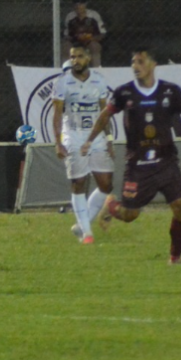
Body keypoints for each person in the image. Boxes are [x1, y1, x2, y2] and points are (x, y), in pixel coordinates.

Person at [84, 47, 181, 264]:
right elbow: (105, 115)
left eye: (140, 61)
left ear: (152, 65)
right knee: (130, 215)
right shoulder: (124, 92)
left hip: (167, 161)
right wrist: (90, 139)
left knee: (180, 206)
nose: (135, 66)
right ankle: (111, 204)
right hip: (138, 165)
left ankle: (175, 258)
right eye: (133, 62)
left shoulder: (170, 91)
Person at [52, 44, 113, 244]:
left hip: (96, 137)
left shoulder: (99, 81)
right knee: (79, 183)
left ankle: (81, 224)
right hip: (74, 135)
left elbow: (105, 114)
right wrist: (58, 142)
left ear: (88, 58)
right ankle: (87, 233)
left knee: (106, 184)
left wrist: (110, 139)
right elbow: (57, 116)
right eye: (72, 57)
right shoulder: (63, 83)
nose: (75, 60)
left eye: (79, 56)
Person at [64, 0, 107, 68]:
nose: (78, 6)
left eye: (81, 3)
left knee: (94, 46)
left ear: (85, 4)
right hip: (75, 42)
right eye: (76, 4)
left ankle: (96, 69)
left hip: (91, 41)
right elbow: (66, 35)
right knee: (65, 46)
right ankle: (67, 70)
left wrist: (89, 38)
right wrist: (76, 37)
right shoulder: (70, 17)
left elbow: (102, 33)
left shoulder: (94, 15)